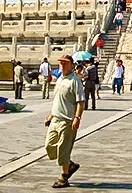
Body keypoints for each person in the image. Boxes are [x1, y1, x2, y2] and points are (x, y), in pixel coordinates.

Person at [44, 55, 85, 188]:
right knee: (49, 147)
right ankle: (70, 164)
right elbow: (57, 100)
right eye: (61, 63)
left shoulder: (75, 81)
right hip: (55, 118)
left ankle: (64, 176)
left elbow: (80, 102)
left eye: (65, 63)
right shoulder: (60, 79)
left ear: (72, 65)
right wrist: (50, 116)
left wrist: (77, 118)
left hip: (67, 121)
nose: (62, 65)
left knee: (63, 149)